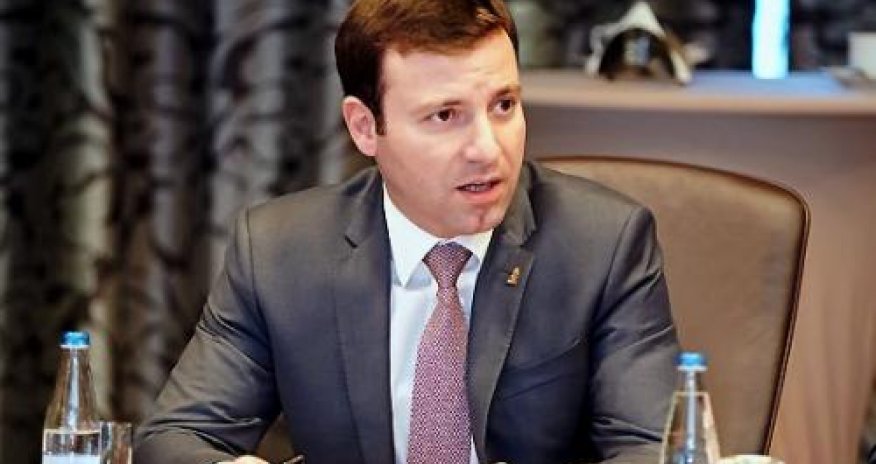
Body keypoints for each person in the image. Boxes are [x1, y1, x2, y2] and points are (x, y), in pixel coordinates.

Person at [133, 0, 679, 463]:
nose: (488, 148)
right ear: (365, 127)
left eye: (503, 105)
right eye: (445, 116)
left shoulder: (604, 244)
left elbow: (649, 449)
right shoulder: (279, 252)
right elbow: (176, 438)